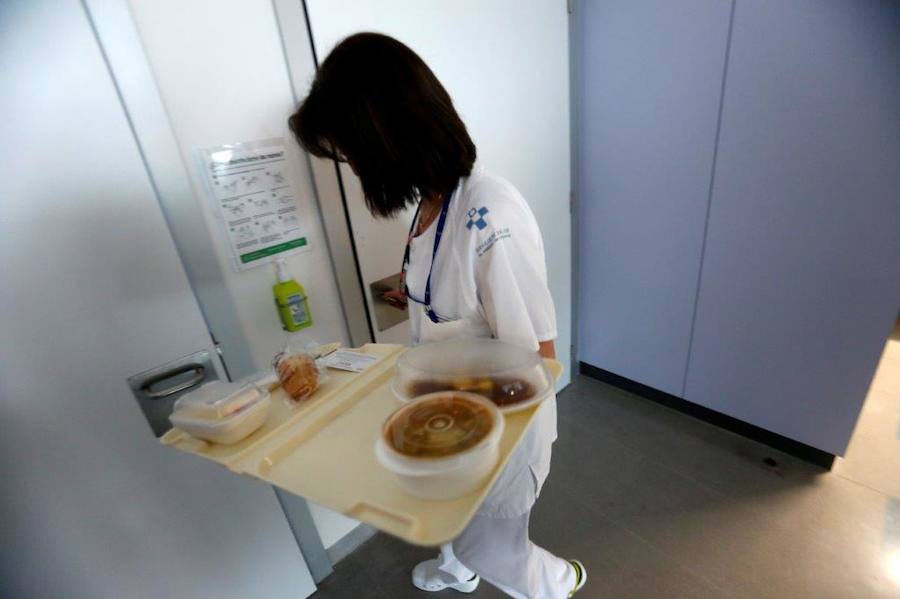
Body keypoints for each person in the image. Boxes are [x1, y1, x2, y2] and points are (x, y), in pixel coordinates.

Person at [289, 32, 586, 599]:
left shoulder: (489, 215)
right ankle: (458, 568)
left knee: (497, 548)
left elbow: (538, 362)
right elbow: (452, 299)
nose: (351, 165)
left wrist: (478, 455)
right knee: (453, 527)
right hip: (447, 412)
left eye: (351, 150)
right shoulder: (433, 202)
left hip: (497, 433)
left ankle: (555, 583)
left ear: (387, 133)